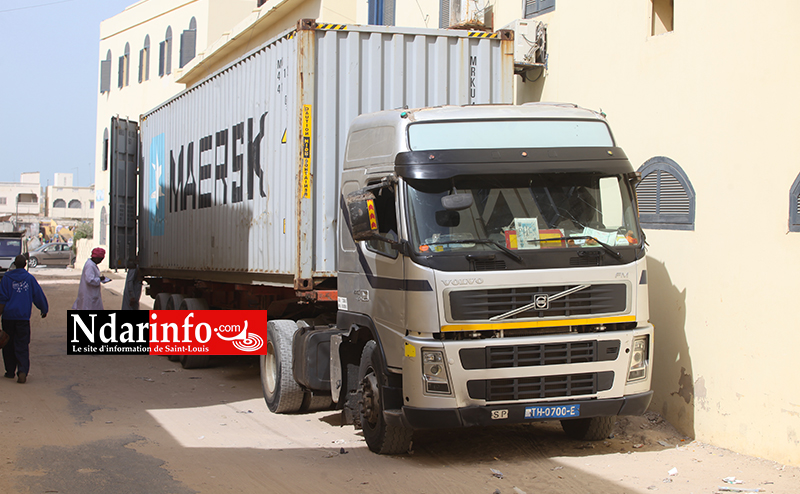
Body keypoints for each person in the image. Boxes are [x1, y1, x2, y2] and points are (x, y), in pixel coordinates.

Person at [0, 255, 48, 384]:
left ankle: (10, 371)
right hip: (23, 317)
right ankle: (22, 371)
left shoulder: (6, 279)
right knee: (22, 344)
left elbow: (2, 298)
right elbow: (38, 295)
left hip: (8, 317)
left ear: (14, 264)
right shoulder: (29, 279)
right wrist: (44, 309)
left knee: (7, 344)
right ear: (25, 264)